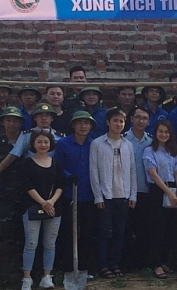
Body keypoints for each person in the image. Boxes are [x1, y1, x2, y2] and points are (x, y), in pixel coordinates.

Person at [90, 108, 137, 279]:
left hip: (123, 196)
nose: (118, 124)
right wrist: (98, 196)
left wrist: (133, 195)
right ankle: (103, 265)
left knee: (120, 232)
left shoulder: (128, 145)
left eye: (121, 121)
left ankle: (115, 263)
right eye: (115, 120)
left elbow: (132, 170)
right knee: (103, 233)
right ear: (108, 122)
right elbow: (93, 171)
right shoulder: (97, 144)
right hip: (105, 196)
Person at [19, 131, 65, 290]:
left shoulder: (55, 163)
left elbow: (61, 185)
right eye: (39, 142)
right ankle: (27, 278)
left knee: (50, 244)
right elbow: (27, 185)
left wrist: (51, 202)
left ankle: (47, 277)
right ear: (33, 144)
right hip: (32, 208)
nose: (43, 145)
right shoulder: (26, 164)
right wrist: (43, 202)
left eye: (46, 142)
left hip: (54, 208)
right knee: (31, 243)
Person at [54, 111, 98, 275]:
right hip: (69, 194)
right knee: (68, 233)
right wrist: (68, 176)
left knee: (88, 233)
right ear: (73, 125)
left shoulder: (94, 144)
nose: (83, 126)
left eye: (86, 123)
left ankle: (87, 267)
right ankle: (68, 267)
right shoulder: (63, 144)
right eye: (79, 123)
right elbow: (58, 166)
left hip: (90, 194)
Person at [143, 120, 177, 278]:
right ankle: (156, 264)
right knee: (157, 229)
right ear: (155, 133)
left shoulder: (172, 151)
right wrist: (169, 193)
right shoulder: (149, 151)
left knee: (170, 228)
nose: (163, 135)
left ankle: (166, 262)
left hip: (173, 190)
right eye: (160, 131)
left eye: (166, 132)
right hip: (158, 191)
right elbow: (153, 174)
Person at [0, 102, 64, 178]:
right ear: (35, 118)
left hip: (53, 174)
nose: (44, 118)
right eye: (40, 115)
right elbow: (13, 156)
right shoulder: (26, 135)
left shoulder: (60, 137)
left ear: (52, 118)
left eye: (47, 115)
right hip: (31, 174)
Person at [122, 106, 155, 271]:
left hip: (145, 191)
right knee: (125, 229)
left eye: (144, 118)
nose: (141, 121)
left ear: (149, 122)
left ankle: (141, 265)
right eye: (138, 117)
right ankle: (125, 264)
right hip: (124, 192)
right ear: (131, 119)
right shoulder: (122, 139)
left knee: (144, 230)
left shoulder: (152, 142)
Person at [0, 107, 26, 240]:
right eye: (8, 120)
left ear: (21, 123)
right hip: (4, 190)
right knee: (5, 228)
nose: (11, 124)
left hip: (25, 191)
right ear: (3, 122)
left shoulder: (28, 140)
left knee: (25, 229)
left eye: (15, 121)